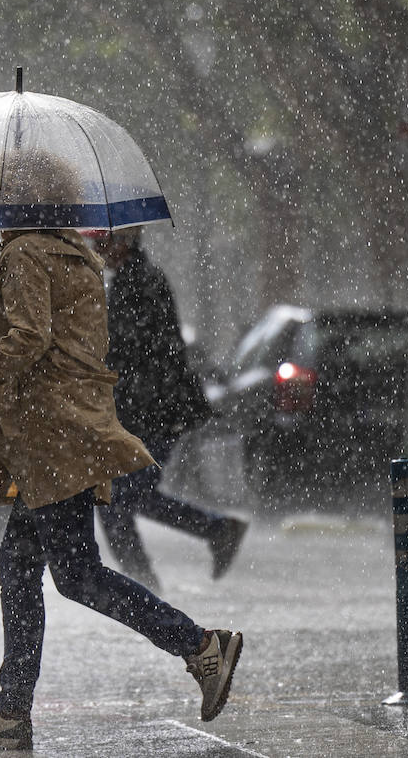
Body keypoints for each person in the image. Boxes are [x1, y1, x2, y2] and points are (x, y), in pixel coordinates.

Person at [0, 223, 243, 752]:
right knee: (34, 569)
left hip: (49, 441)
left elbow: (29, 338)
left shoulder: (27, 252)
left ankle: (199, 644)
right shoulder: (75, 255)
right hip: (63, 436)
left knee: (74, 575)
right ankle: (14, 708)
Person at [92, 227, 248, 590]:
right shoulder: (129, 282)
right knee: (119, 497)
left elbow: (133, 353)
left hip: (155, 411)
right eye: (94, 243)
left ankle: (143, 589)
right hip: (148, 410)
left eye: (103, 242)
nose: (97, 249)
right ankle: (149, 583)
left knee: (118, 497)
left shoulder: (140, 283)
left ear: (125, 242)